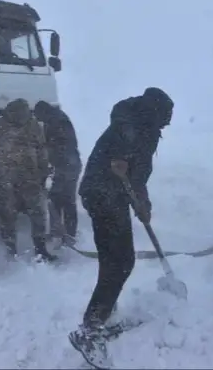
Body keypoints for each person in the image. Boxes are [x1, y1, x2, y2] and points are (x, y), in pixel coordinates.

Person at [70, 87, 174, 344]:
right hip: (104, 195)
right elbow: (121, 152)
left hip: (111, 196)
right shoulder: (127, 126)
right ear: (154, 112)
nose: (166, 125)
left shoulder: (145, 129)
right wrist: (119, 159)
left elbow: (137, 177)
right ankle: (91, 328)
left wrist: (143, 204)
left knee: (114, 261)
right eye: (164, 119)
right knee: (121, 262)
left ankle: (103, 311)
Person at [0, 98, 57, 263]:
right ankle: (40, 251)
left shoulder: (0, 125)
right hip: (29, 176)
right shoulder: (33, 125)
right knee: (36, 215)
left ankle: (11, 252)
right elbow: (42, 150)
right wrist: (43, 171)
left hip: (7, 178)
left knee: (8, 215)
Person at [33, 101, 82, 245]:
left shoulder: (56, 121)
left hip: (67, 166)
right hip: (70, 164)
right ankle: (66, 234)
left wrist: (52, 164)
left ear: (43, 112)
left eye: (38, 116)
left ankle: (62, 235)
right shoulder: (56, 118)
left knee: (57, 199)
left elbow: (61, 145)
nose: (38, 120)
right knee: (65, 200)